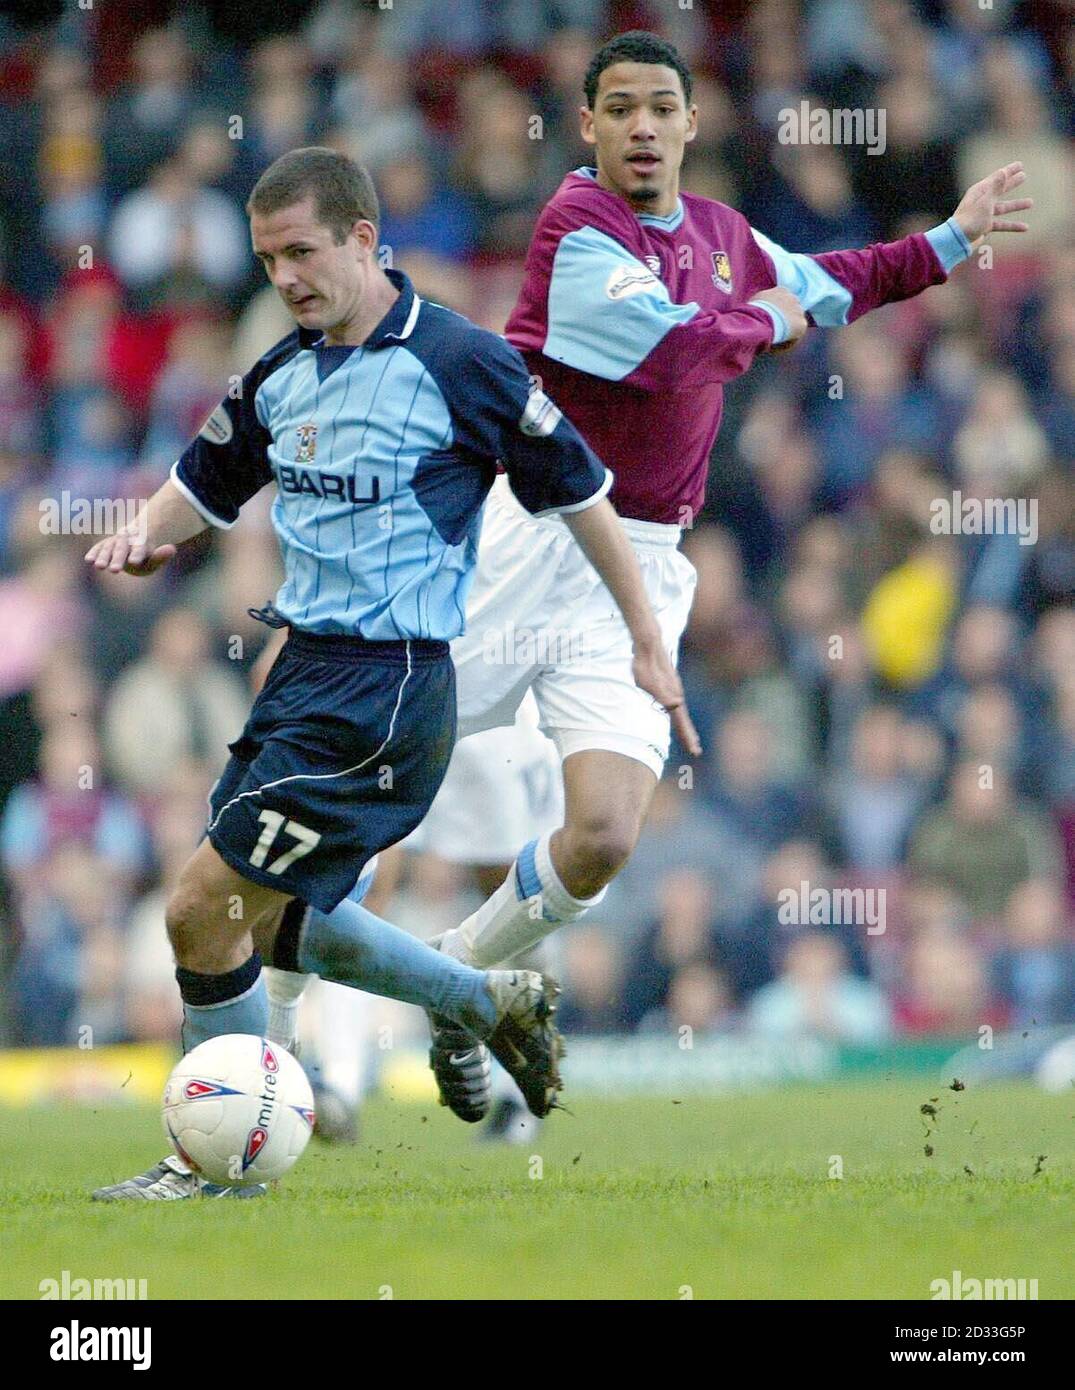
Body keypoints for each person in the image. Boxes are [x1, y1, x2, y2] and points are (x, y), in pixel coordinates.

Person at [272, 28, 1034, 1123]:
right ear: (587, 125)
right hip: (531, 533)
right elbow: (679, 350)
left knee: (603, 835)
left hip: (649, 560)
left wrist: (949, 242)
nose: (640, 126)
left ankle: (455, 979)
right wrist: (772, 315)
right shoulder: (573, 229)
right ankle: (279, 1041)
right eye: (618, 107)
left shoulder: (722, 233)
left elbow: (828, 281)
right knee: (361, 783)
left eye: (659, 108)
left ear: (688, 123)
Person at [84, 145, 685, 1200]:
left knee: (200, 906)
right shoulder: (284, 368)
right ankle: (481, 1000)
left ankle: (212, 1162)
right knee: (269, 915)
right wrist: (143, 532)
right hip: (298, 676)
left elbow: (583, 492)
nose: (286, 278)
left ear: (364, 238)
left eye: (303, 253)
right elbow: (207, 478)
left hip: (388, 688)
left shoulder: (460, 362)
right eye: (268, 260)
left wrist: (642, 636)